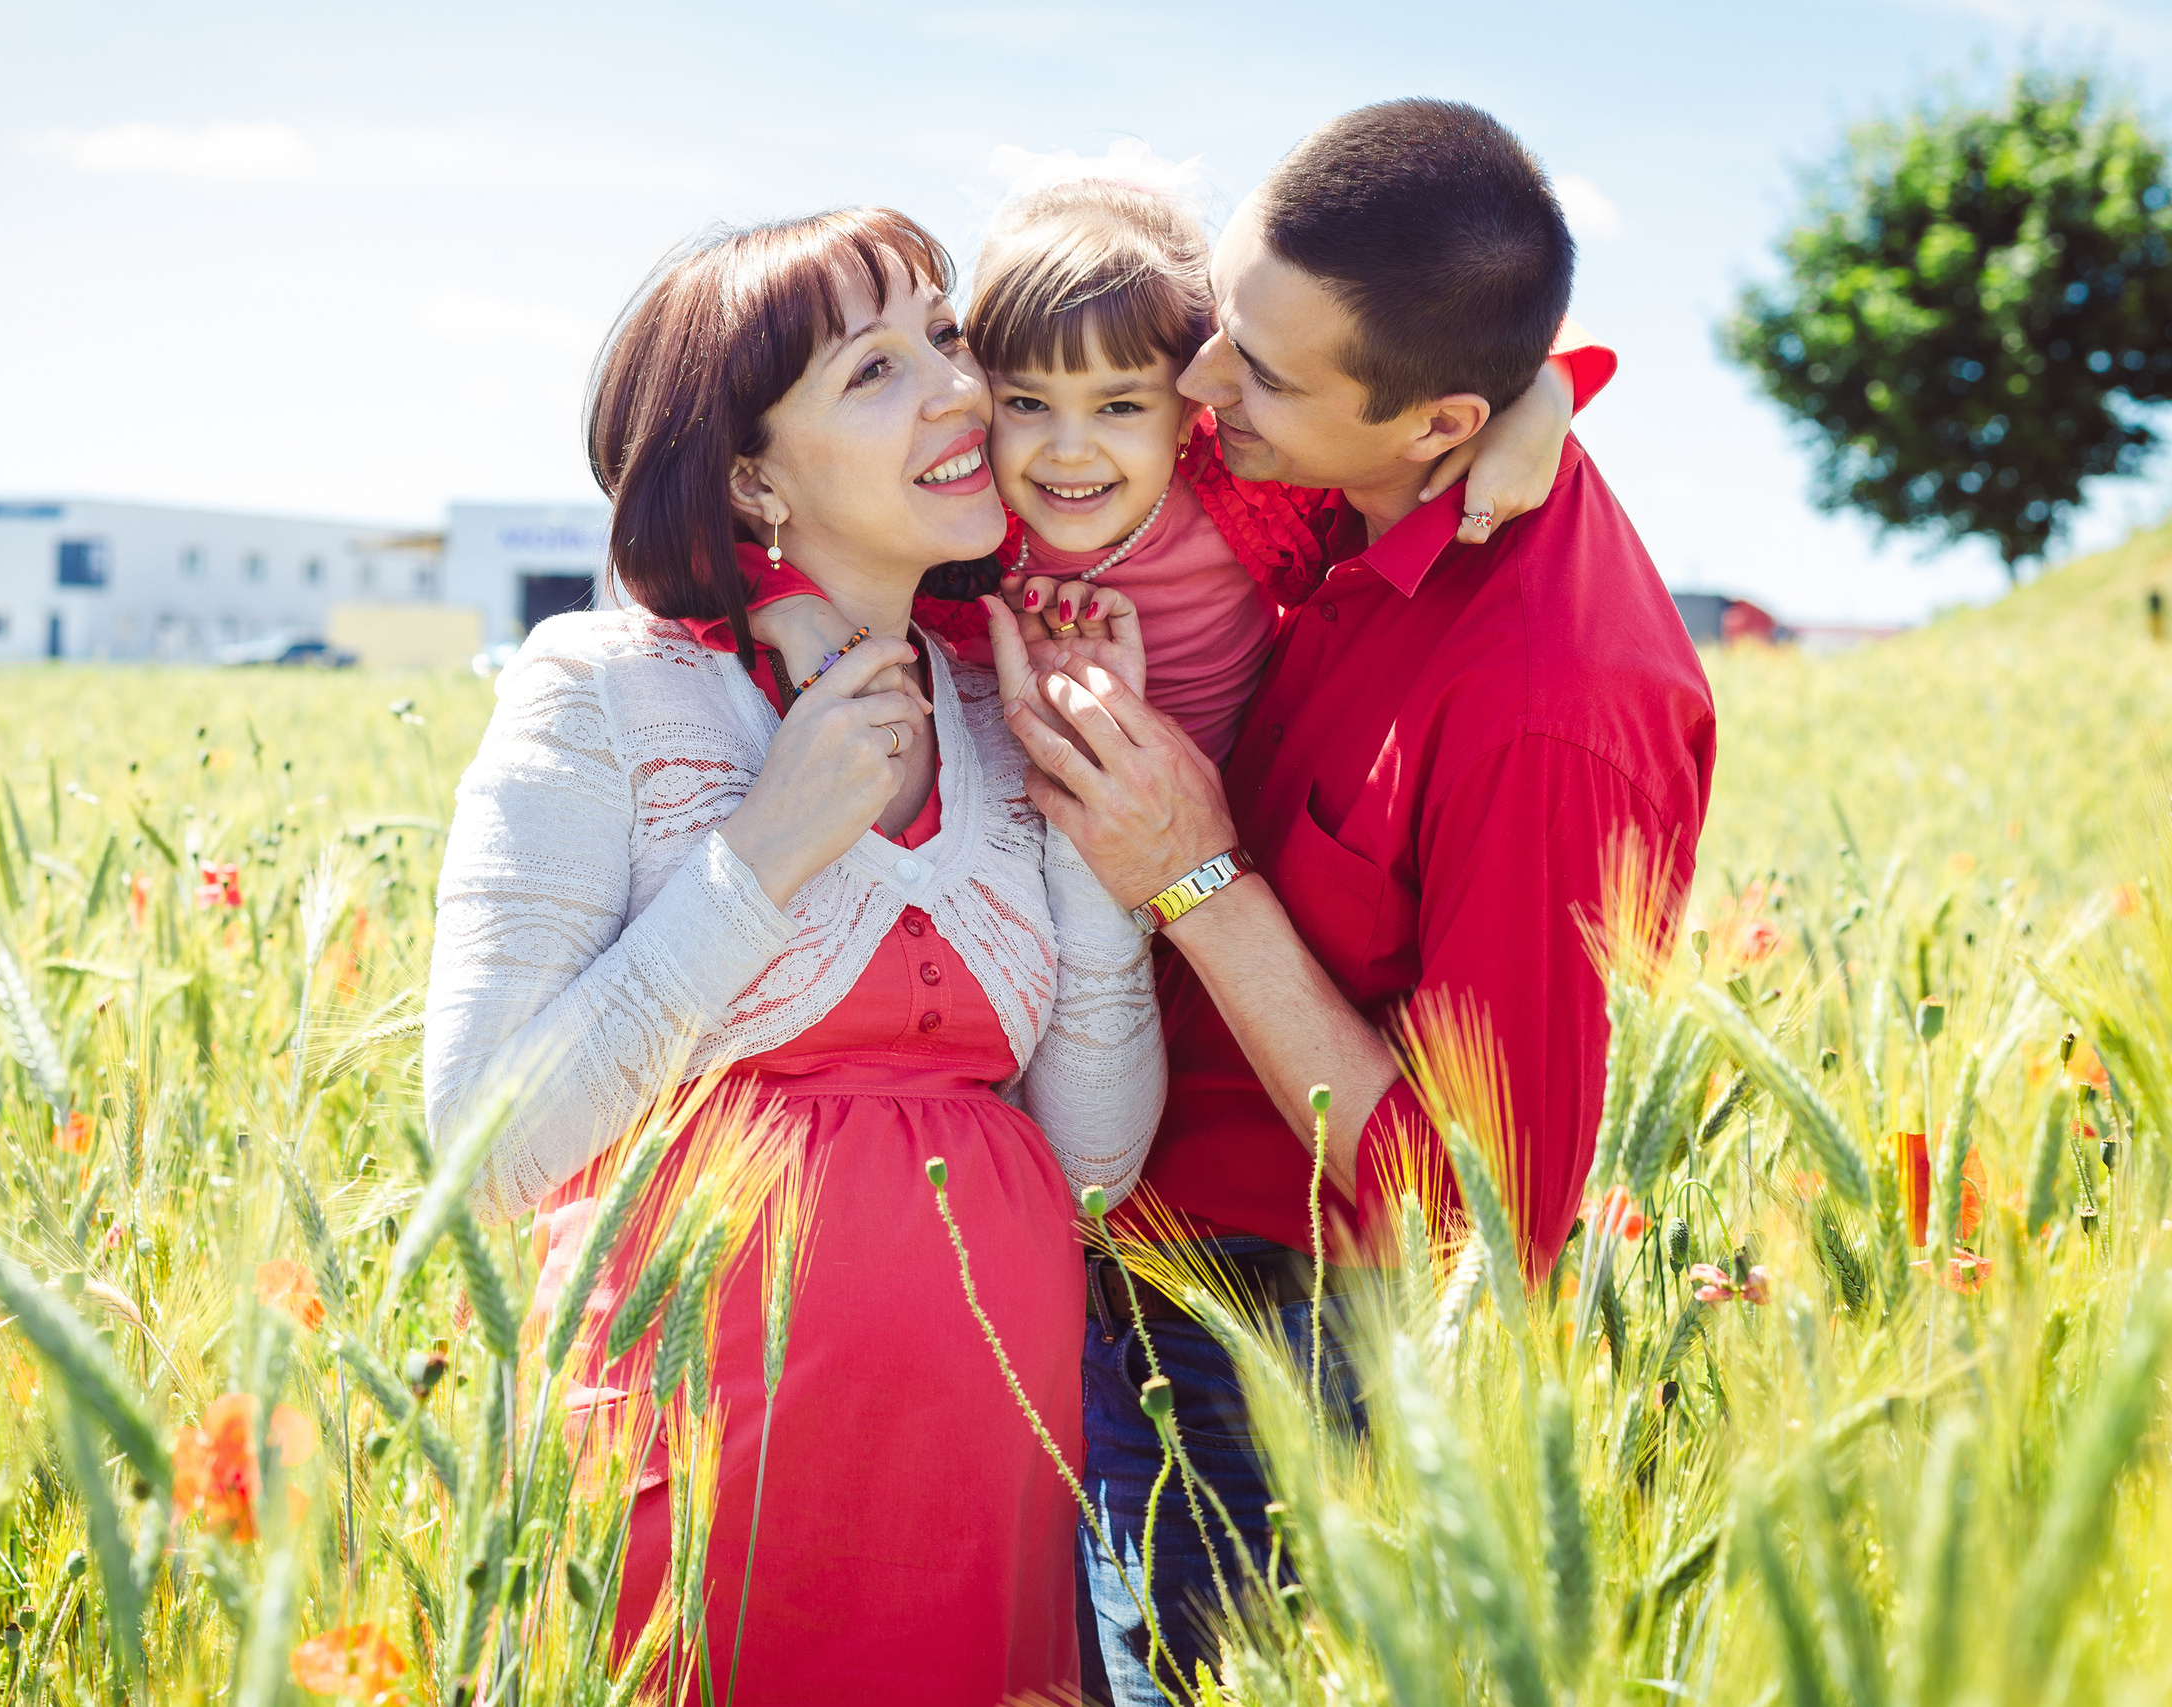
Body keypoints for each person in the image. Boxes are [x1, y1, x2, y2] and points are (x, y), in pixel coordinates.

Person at [991, 101, 1718, 1702]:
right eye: (1220, 333)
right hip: (1133, 1259)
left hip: (1300, 1344)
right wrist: (1549, 393)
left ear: (1435, 422)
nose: (1195, 393)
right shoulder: (1355, 478)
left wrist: (1194, 875)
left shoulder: (1548, 712)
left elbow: (1480, 1200)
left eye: (1250, 371)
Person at [421, 206, 1165, 1705]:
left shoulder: (995, 701)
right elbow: (482, 1147)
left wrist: (1098, 829)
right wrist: (765, 852)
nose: (962, 389)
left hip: (975, 1488)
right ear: (754, 476)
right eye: (873, 370)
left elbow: (1088, 1164)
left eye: (946, 337)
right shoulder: (604, 689)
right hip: (689, 1482)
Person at [743, 169, 1605, 767]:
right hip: (1034, 857)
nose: (1069, 450)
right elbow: (762, 532)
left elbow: (1442, 339)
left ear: (1198, 398)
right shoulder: (969, 522)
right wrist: (784, 602)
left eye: (1120, 407)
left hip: (1225, 836)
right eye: (1027, 403)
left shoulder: (1240, 487)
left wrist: (1549, 388)